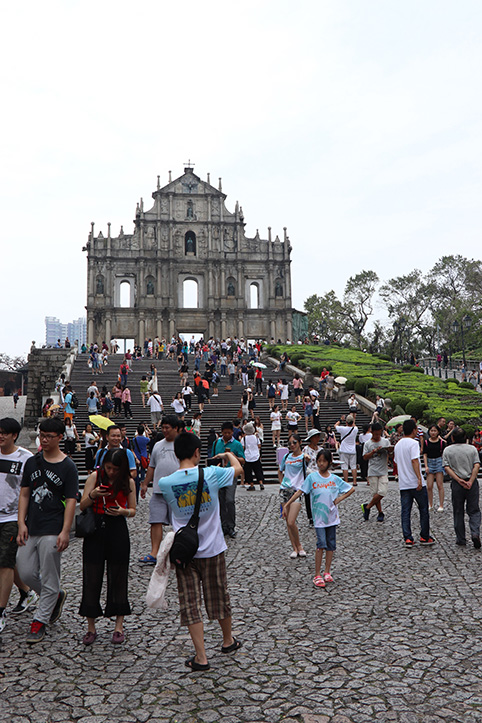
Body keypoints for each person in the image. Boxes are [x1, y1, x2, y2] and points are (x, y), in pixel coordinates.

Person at [159, 432, 243, 671]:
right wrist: (228, 454)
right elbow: (238, 469)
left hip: (185, 550)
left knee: (190, 602)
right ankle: (228, 641)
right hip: (213, 548)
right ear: (197, 453)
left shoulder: (166, 483)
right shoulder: (212, 474)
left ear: (176, 454)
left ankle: (201, 657)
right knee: (219, 595)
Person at [16, 417, 78, 643]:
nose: (44, 440)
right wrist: (21, 522)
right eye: (42, 435)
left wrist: (65, 531)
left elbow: (71, 500)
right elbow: (24, 493)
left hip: (53, 526)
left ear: (60, 437)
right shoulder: (32, 462)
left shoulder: (68, 466)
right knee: (24, 571)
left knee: (50, 576)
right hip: (32, 525)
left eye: (49, 437)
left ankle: (39, 621)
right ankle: (54, 596)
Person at [79, 448, 136, 645]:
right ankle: (91, 626)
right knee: (92, 577)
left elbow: (133, 510)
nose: (111, 472)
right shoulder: (94, 477)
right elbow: (82, 505)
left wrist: (122, 511)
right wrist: (93, 495)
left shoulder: (128, 482)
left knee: (119, 576)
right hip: (95, 528)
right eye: (108, 468)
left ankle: (119, 626)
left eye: (115, 469)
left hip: (117, 528)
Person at [283, 449, 354, 588]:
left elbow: (350, 489)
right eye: (319, 461)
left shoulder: (334, 479)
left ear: (329, 462)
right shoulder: (312, 478)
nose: (321, 464)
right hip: (319, 518)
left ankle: (327, 571)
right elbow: (301, 491)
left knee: (331, 545)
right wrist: (288, 503)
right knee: (321, 544)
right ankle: (317, 574)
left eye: (324, 461)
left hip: (332, 517)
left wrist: (339, 499)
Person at [0, 418, 38, 632]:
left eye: (5, 433)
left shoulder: (26, 458)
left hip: (13, 518)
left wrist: (25, 521)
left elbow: (29, 491)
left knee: (4, 562)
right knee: (6, 559)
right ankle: (26, 591)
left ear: (14, 435)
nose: (1, 436)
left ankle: (1, 611)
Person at [139, 416, 181, 564]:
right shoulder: (157, 445)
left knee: (179, 523)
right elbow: (152, 466)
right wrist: (145, 484)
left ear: (176, 428)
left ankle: (179, 552)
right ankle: (154, 552)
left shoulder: (182, 444)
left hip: (178, 490)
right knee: (155, 521)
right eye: (162, 427)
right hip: (158, 490)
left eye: (167, 428)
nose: (164, 430)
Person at [393, 419, 434, 547]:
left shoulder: (398, 444)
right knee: (423, 509)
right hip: (415, 482)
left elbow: (396, 461)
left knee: (405, 511)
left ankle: (408, 538)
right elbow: (415, 461)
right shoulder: (413, 443)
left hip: (404, 483)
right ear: (414, 430)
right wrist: (419, 478)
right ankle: (424, 536)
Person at [442, 427, 481, 548]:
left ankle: (461, 538)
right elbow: (476, 465)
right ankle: (475, 533)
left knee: (458, 511)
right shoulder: (472, 449)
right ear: (465, 438)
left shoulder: (448, 450)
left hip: (457, 484)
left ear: (452, 438)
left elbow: (447, 467)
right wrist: (470, 480)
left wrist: (458, 479)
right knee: (474, 510)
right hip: (471, 482)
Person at [212, 423, 245, 538]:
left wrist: (233, 456)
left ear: (232, 432)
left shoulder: (236, 444)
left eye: (229, 433)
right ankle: (223, 525)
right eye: (224, 433)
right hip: (218, 474)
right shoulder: (216, 443)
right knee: (220, 501)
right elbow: (213, 457)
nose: (226, 435)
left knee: (229, 500)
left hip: (231, 474)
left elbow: (243, 460)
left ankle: (231, 526)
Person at [279, 434, 307, 558]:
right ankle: (294, 548)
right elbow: (280, 470)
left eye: (294, 442)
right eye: (290, 443)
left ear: (300, 442)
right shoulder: (286, 456)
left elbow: (310, 461)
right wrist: (281, 483)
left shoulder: (303, 457)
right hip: (285, 490)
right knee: (287, 521)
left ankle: (299, 545)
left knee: (291, 521)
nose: (292, 445)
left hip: (297, 491)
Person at [361, 422, 393, 523]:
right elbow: (364, 457)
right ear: (372, 432)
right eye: (375, 434)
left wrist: (390, 451)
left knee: (382, 492)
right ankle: (380, 513)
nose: (377, 436)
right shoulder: (368, 444)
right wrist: (374, 451)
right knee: (375, 493)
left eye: (379, 434)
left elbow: (391, 455)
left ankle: (368, 506)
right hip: (372, 470)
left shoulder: (385, 441)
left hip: (383, 470)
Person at [422, 424, 446, 512]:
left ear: (438, 432)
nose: (433, 432)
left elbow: (444, 454)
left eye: (435, 431)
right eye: (431, 431)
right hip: (430, 462)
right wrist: (426, 466)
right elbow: (424, 454)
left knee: (440, 485)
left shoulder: (441, 442)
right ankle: (430, 504)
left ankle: (441, 505)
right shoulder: (426, 442)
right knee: (429, 486)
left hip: (439, 462)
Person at [335, 415, 359, 487]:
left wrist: (340, 420)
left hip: (344, 449)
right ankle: (354, 481)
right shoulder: (355, 429)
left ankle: (346, 481)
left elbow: (335, 425)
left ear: (346, 422)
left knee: (344, 466)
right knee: (353, 466)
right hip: (352, 450)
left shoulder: (342, 429)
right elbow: (354, 425)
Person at [241, 422, 264, 491]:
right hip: (256, 455)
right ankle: (261, 483)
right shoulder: (256, 437)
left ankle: (251, 485)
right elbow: (259, 445)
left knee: (248, 472)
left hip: (247, 456)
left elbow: (243, 447)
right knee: (258, 471)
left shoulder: (244, 439)